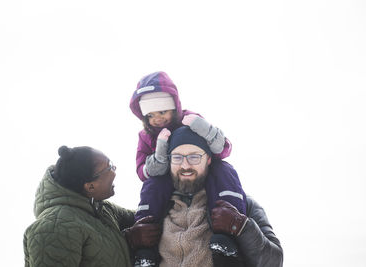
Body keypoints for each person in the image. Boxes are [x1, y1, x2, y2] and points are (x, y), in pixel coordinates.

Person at [129, 71, 247, 265]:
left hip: (202, 175)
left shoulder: (190, 120)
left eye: (162, 112)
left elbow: (222, 150)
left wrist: (205, 131)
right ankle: (146, 245)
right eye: (150, 115)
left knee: (223, 169)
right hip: (167, 177)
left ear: (174, 108)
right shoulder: (145, 136)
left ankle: (228, 227)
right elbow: (141, 169)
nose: (157, 119)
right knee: (153, 185)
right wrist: (158, 162)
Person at [158, 126, 284, 267]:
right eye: (177, 157)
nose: (185, 165)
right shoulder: (157, 208)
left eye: (194, 157)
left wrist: (241, 226)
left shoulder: (243, 204)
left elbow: (274, 261)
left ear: (209, 159)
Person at [23, 145, 162, 267]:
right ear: (90, 186)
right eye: (109, 167)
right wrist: (129, 241)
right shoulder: (53, 228)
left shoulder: (100, 208)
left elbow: (139, 216)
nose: (115, 170)